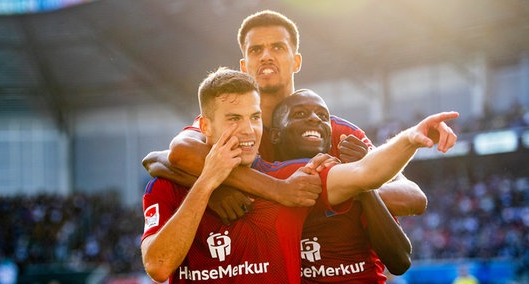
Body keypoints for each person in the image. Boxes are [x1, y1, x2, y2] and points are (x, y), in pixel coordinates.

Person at [142, 67, 459, 284]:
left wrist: (410, 138)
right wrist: (211, 186)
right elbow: (157, 265)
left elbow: (369, 175)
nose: (247, 128)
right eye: (233, 119)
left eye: (254, 118)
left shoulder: (295, 175)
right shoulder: (171, 184)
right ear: (205, 128)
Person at [142, 10, 428, 224]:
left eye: (278, 47)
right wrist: (275, 192)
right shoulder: (232, 126)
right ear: (244, 65)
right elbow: (176, 153)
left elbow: (413, 196)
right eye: (256, 50)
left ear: (297, 61)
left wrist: (344, 187)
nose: (266, 56)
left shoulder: (331, 129)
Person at [270, 89, 412, 284]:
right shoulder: (268, 183)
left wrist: (363, 183)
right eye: (300, 113)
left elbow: (400, 261)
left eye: (322, 115)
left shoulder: (356, 183)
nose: (315, 118)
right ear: (275, 135)